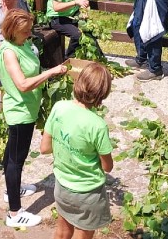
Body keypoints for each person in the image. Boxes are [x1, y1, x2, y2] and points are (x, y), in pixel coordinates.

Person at [0, 9, 69, 228]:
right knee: (16, 160)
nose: (30, 33)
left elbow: (32, 72)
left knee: (11, 154)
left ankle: (12, 189)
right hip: (20, 112)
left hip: (28, 107)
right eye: (25, 30)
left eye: (30, 29)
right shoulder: (9, 51)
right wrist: (51, 73)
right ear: (12, 30)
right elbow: (22, 84)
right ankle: (14, 213)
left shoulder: (22, 45)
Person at [40, 62, 115, 239]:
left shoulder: (59, 107)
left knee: (62, 230)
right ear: (102, 94)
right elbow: (107, 167)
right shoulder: (98, 125)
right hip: (89, 193)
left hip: (62, 186)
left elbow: (44, 148)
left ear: (78, 83)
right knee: (83, 234)